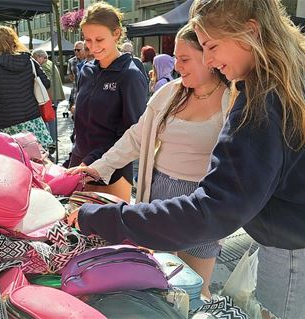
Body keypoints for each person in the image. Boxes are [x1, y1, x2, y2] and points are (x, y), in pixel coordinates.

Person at [73, 0, 305, 317]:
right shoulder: (299, 64)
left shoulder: (264, 98)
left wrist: (105, 218)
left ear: (250, 31)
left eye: (211, 47)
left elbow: (214, 209)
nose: (210, 61)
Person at [69, 24, 229, 298]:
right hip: (158, 196)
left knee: (194, 292)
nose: (177, 66)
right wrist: (99, 168)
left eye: (184, 59)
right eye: (175, 58)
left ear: (209, 58)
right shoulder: (169, 94)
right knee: (161, 285)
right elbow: (136, 137)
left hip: (202, 202)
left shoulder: (233, 99)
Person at [69, 2, 148, 202]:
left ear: (116, 34)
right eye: (88, 39)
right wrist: (74, 157)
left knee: (105, 233)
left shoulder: (130, 76)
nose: (93, 46)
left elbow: (132, 135)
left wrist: (92, 159)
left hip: (112, 174)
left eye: (99, 39)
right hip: (79, 168)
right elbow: (81, 124)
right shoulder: (86, 70)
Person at [0, 26, 52, 147]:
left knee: (8, 164)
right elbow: (46, 82)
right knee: (36, 163)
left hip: (3, 127)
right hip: (32, 123)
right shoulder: (29, 61)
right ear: (15, 41)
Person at [32, 49, 65, 150]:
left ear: (40, 57)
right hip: (55, 95)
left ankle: (52, 142)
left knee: (50, 119)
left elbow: (45, 83)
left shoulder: (44, 66)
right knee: (51, 119)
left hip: (50, 96)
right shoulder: (50, 63)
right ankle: (53, 141)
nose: (34, 61)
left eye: (35, 58)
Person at [67, 41, 86, 114]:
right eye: (74, 50)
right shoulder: (71, 61)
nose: (76, 52)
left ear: (84, 49)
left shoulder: (90, 60)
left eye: (78, 50)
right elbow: (70, 76)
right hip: (76, 92)